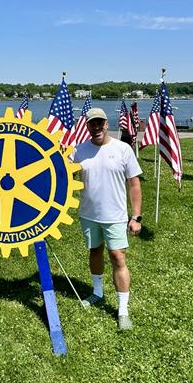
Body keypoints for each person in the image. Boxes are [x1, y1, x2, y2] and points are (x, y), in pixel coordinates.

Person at [72, 108, 142, 330]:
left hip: (115, 216)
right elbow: (62, 173)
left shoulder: (122, 149)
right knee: (95, 251)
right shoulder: (78, 151)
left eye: (100, 123)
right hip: (88, 214)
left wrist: (136, 216)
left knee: (117, 257)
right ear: (87, 126)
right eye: (92, 123)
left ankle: (123, 310)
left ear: (106, 124)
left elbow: (134, 184)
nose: (96, 127)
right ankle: (97, 292)